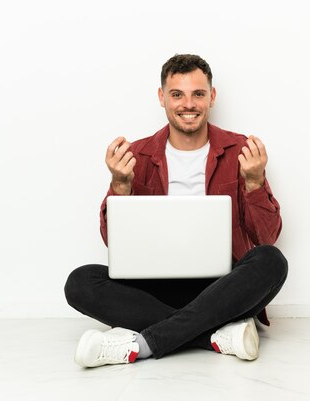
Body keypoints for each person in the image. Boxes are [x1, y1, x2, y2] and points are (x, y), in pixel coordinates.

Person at [64, 54, 288, 368]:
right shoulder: (137, 155)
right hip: (153, 288)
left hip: (220, 287)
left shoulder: (240, 150)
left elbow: (267, 237)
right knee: (80, 282)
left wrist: (254, 181)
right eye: (177, 94)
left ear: (212, 96)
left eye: (198, 94)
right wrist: (119, 184)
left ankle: (140, 345)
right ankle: (215, 335)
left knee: (271, 261)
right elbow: (112, 241)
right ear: (162, 97)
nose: (188, 104)